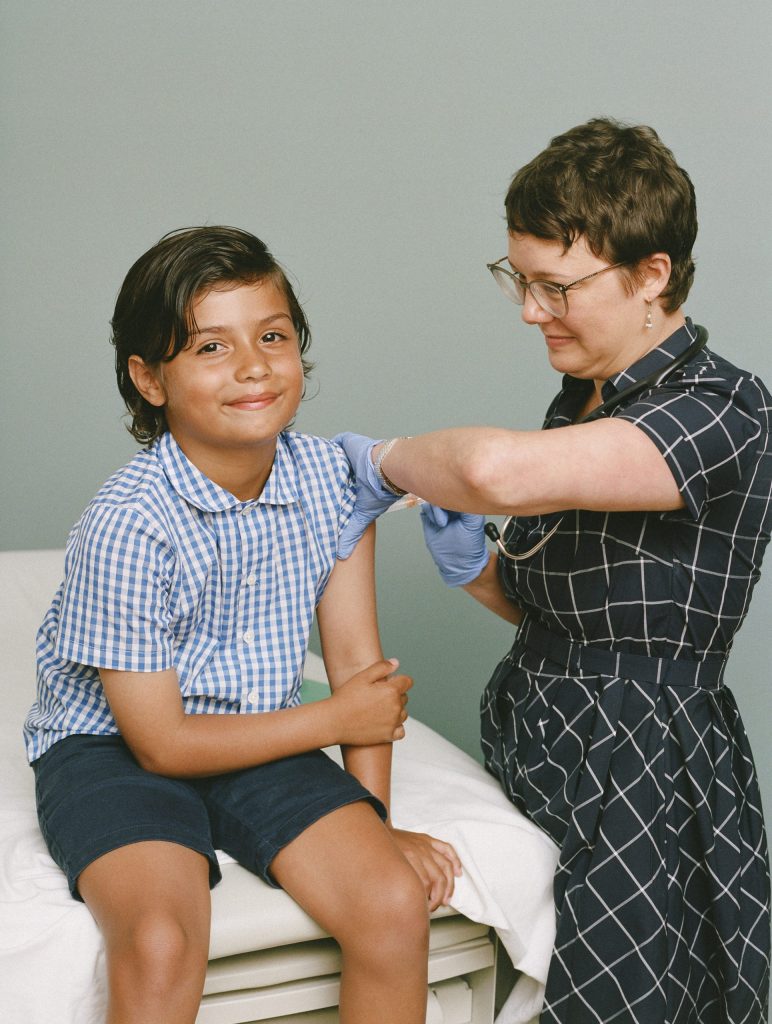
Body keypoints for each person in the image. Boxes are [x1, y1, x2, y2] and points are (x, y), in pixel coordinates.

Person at [334, 118, 772, 1023]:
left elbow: (495, 472)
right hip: (546, 736)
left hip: (639, 763)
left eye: (555, 287)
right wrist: (475, 570)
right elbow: (572, 612)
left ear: (652, 275)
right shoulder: (583, 401)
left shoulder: (724, 409)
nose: (531, 311)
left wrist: (382, 459)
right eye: (519, 282)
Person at [23, 226, 461, 1024]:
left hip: (261, 730)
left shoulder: (332, 481)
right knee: (160, 939)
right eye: (210, 348)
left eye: (272, 337)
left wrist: (376, 827)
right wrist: (331, 717)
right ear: (149, 378)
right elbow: (161, 744)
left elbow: (359, 665)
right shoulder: (126, 524)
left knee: (394, 904)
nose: (254, 366)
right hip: (115, 749)